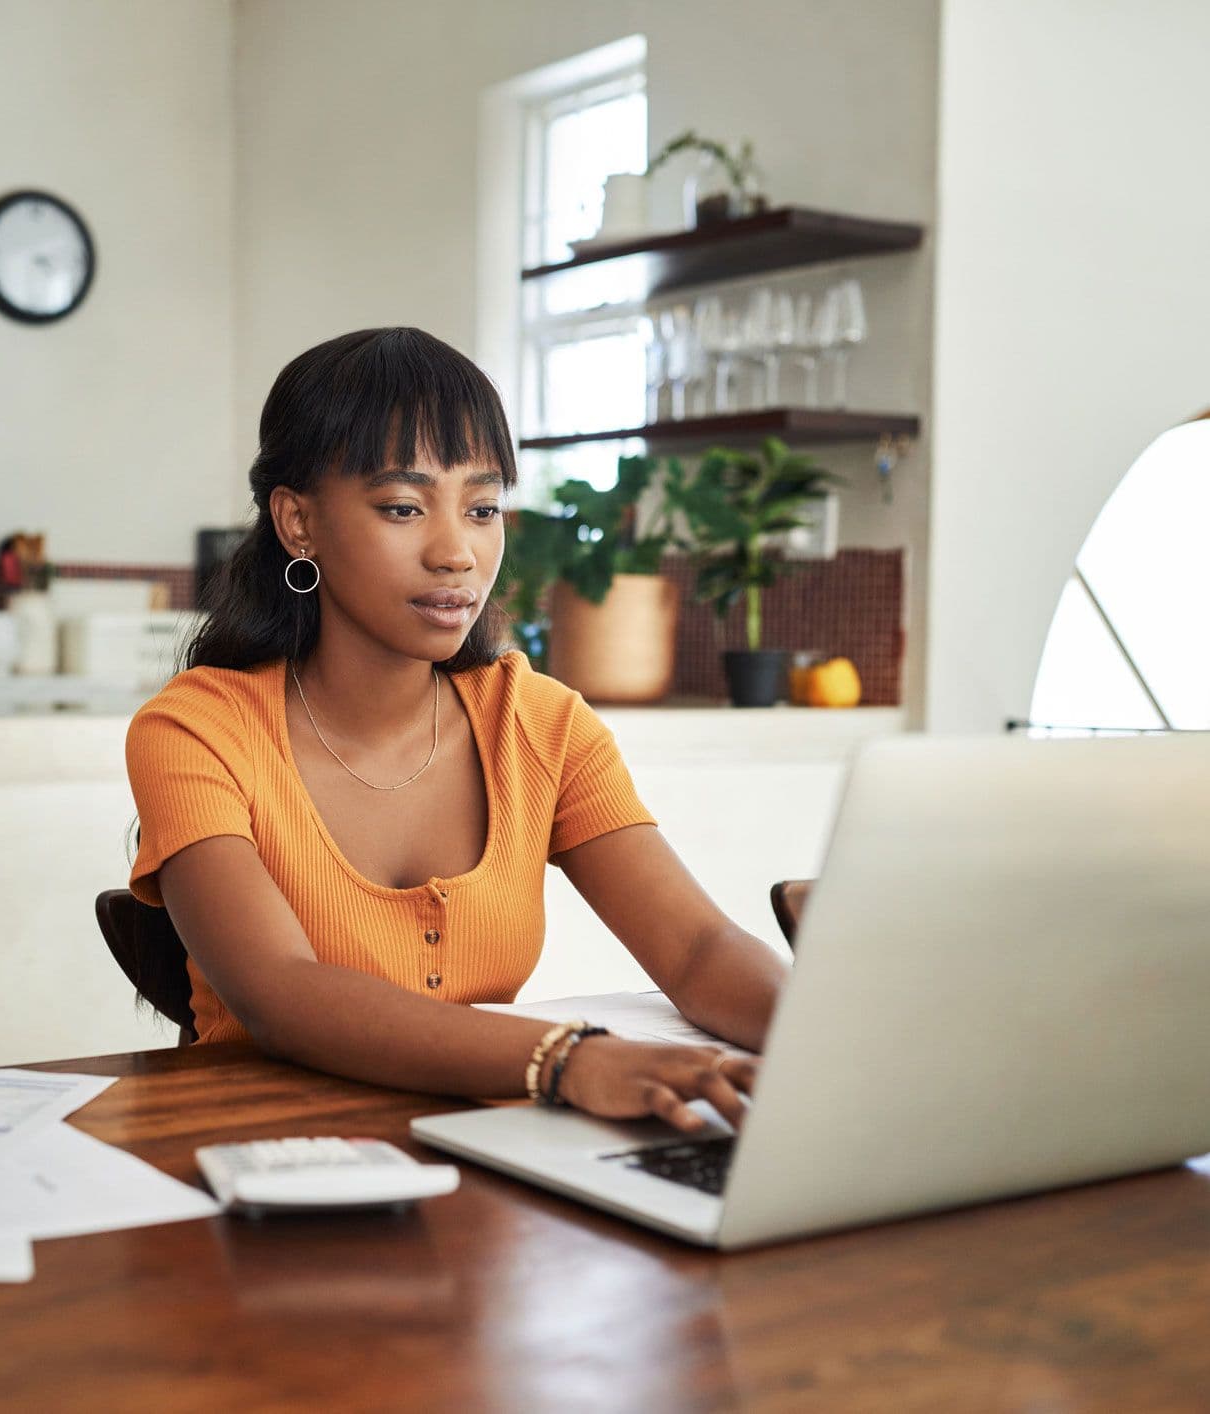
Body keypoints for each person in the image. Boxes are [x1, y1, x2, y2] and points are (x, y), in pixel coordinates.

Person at [125, 327, 788, 1133]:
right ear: (298, 523)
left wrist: (832, 1043)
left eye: (482, 508)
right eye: (402, 508)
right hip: (262, 1169)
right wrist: (565, 1060)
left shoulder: (538, 724)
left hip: (488, 1160)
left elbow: (695, 951)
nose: (456, 554)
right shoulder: (197, 729)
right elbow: (279, 993)